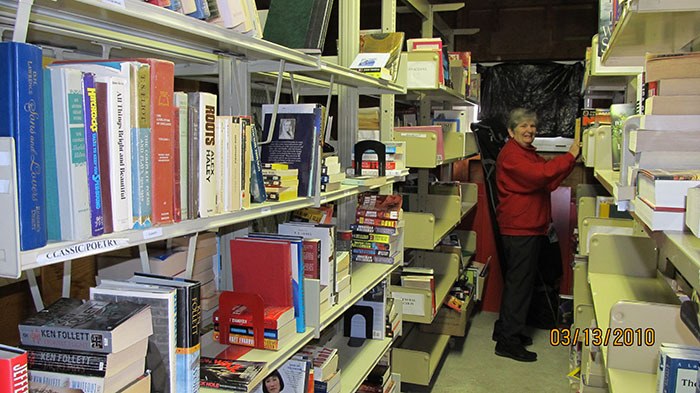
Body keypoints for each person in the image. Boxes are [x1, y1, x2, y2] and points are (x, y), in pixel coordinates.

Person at [493, 108, 579, 362]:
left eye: (532, 126)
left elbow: (548, 182)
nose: (529, 130)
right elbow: (540, 176)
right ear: (511, 131)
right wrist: (571, 154)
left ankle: (508, 331)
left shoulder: (526, 153)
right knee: (519, 286)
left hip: (529, 227)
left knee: (519, 285)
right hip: (520, 229)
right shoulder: (511, 155)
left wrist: (569, 161)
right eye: (523, 126)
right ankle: (508, 342)